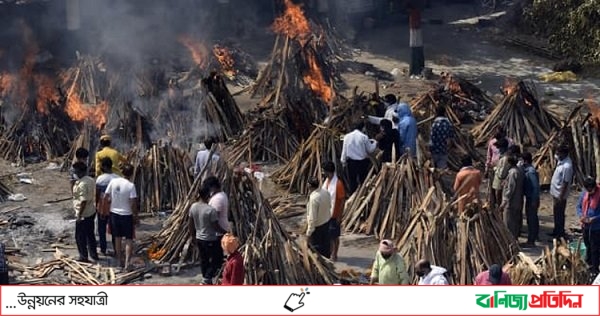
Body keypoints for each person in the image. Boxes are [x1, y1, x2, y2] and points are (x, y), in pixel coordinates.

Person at [188, 186, 226, 285]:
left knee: (204, 259)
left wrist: (192, 237)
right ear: (208, 195)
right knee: (216, 260)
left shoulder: (193, 207)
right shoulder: (210, 210)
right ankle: (206, 279)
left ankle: (206, 279)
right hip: (210, 239)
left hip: (199, 238)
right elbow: (215, 226)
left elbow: (190, 224)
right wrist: (225, 232)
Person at [104, 164, 138, 270]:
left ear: (122, 172)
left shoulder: (113, 182)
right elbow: (133, 203)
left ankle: (119, 261)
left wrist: (111, 202)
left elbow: (105, 196)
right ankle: (127, 263)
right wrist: (135, 216)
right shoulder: (131, 186)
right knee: (129, 239)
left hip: (114, 214)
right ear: (132, 174)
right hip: (126, 215)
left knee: (117, 238)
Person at [72, 162, 99, 263]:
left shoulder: (82, 184)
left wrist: (79, 215)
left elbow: (83, 201)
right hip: (91, 211)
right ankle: (94, 254)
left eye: (75, 171)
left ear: (80, 172)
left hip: (84, 213)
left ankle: (83, 256)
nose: (74, 173)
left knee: (80, 236)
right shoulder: (90, 180)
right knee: (90, 234)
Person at [340, 121, 377, 194]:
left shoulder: (347, 136)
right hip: (362, 163)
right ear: (363, 128)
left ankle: (353, 195)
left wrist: (343, 162)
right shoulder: (364, 137)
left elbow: (344, 151)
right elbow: (370, 150)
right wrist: (375, 143)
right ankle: (363, 194)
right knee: (363, 180)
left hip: (351, 162)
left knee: (352, 181)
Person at [96, 157, 120, 256]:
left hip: (102, 206)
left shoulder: (100, 179)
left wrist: (96, 203)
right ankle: (116, 249)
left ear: (105, 167)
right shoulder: (117, 178)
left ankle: (103, 249)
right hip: (114, 206)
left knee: (101, 229)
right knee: (114, 229)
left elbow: (97, 194)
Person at [322, 161, 346, 262]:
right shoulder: (327, 182)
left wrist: (340, 216)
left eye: (324, 171)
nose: (323, 173)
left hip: (334, 214)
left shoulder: (338, 184)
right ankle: (330, 252)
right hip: (326, 214)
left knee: (334, 236)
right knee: (328, 235)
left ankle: (334, 254)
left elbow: (342, 201)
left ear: (328, 172)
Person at [576, 176, 600, 274]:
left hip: (596, 226)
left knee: (595, 248)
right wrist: (581, 216)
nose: (590, 192)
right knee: (587, 245)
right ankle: (588, 265)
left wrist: (595, 218)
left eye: (591, 190)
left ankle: (595, 268)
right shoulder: (584, 194)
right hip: (585, 225)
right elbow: (578, 206)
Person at [486, 128, 513, 207]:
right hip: (495, 168)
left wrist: (495, 167)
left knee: (499, 191)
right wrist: (487, 167)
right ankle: (495, 205)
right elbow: (489, 155)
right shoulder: (492, 143)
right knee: (493, 190)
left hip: (500, 170)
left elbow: (501, 173)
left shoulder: (509, 143)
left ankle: (499, 207)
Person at [550, 145, 573, 238]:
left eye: (559, 153)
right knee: (556, 213)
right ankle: (556, 231)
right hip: (555, 192)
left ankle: (560, 235)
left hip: (560, 194)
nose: (557, 155)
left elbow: (565, 182)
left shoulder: (567, 166)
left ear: (564, 154)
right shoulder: (561, 161)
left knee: (559, 214)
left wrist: (561, 196)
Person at [500, 155, 525, 239]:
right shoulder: (519, 170)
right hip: (518, 199)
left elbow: (510, 188)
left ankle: (510, 239)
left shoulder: (512, 173)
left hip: (511, 201)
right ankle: (515, 237)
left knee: (509, 222)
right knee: (515, 221)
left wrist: (504, 201)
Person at [306, 177, 332, 258]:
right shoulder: (326, 192)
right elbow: (330, 206)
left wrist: (309, 233)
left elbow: (312, 218)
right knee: (326, 248)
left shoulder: (314, 198)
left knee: (317, 251)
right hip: (327, 223)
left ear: (309, 185)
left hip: (318, 228)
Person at [521, 152, 540, 247]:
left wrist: (534, 200)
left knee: (531, 219)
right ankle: (534, 236)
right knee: (533, 218)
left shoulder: (530, 171)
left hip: (532, 198)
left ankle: (531, 240)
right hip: (532, 197)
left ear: (525, 161)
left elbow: (535, 187)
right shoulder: (528, 170)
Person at [407, 1, 425, 79]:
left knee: (415, 51)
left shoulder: (414, 13)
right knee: (417, 50)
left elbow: (416, 24)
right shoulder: (415, 13)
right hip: (415, 33)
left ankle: (416, 70)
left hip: (415, 33)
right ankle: (419, 68)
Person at [491, 138, 509, 208]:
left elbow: (501, 174)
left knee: (499, 197)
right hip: (498, 182)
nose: (498, 150)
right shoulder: (502, 157)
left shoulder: (504, 159)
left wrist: (495, 168)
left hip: (500, 182)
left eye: (499, 148)